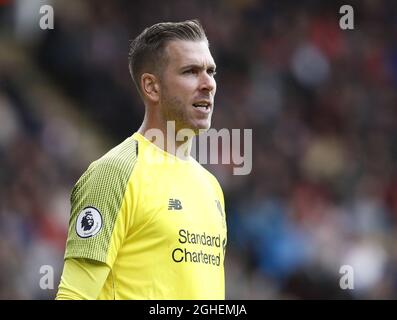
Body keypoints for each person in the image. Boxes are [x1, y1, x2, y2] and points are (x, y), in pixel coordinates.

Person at [56, 19, 227, 300]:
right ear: (152, 87)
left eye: (211, 71)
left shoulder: (211, 187)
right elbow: (74, 296)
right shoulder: (114, 174)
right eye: (191, 72)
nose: (208, 83)